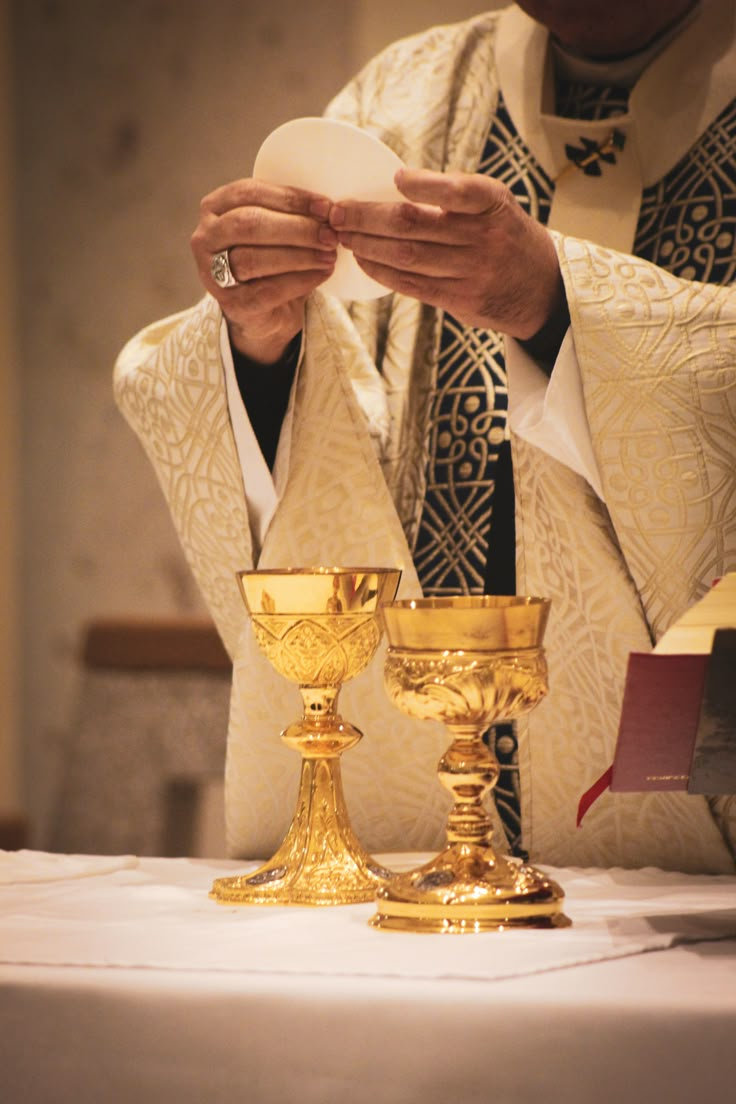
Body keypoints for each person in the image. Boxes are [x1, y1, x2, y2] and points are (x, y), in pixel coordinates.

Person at [114, 0, 736, 873]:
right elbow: (301, 413)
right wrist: (255, 331)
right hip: (413, 853)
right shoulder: (403, 99)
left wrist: (559, 308)